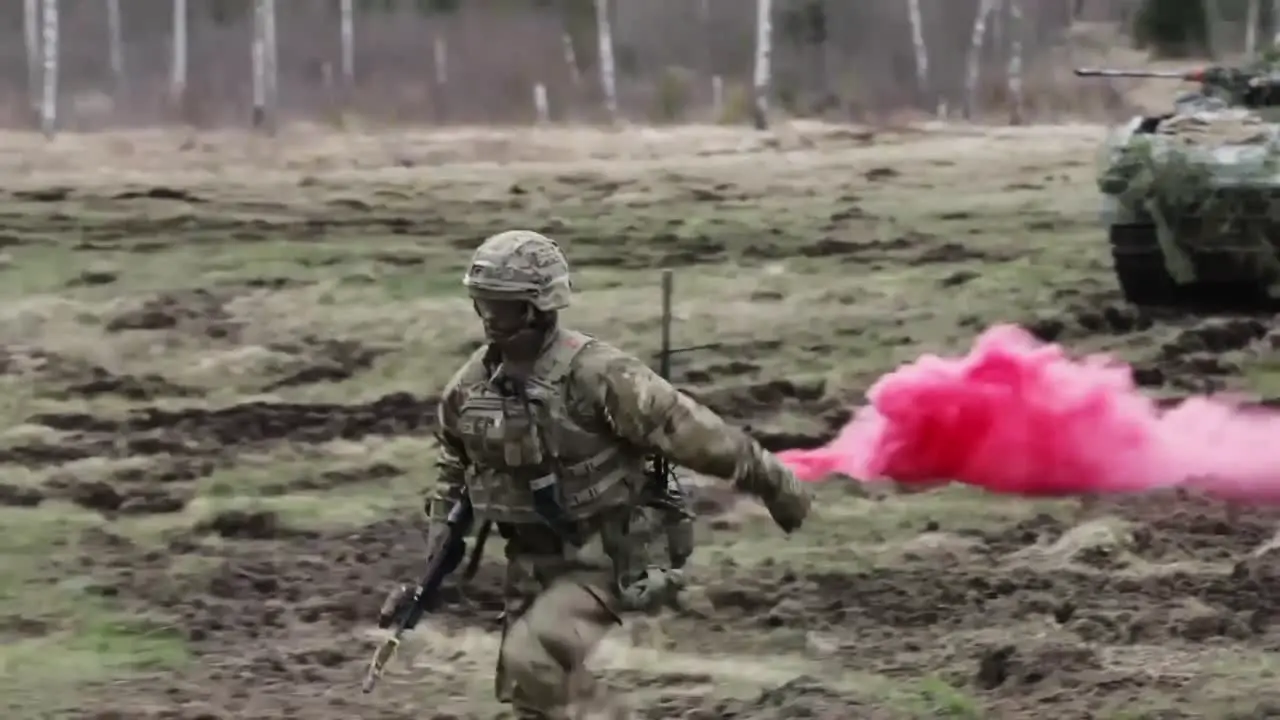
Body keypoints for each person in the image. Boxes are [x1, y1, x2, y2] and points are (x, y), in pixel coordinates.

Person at [423, 229, 811, 719]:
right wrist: (438, 549)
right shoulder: (469, 388)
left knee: (532, 660)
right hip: (530, 558)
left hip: (607, 551)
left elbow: (690, 432)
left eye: (503, 307)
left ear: (540, 306)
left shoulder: (600, 375)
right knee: (532, 696)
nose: (490, 320)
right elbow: (453, 465)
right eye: (483, 305)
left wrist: (771, 480)